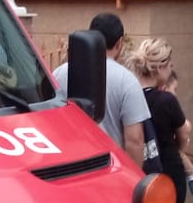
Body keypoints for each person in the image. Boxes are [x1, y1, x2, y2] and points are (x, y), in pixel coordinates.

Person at [53, 13, 154, 166]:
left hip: (67, 165)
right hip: (109, 170)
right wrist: (134, 179)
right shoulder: (127, 81)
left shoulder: (60, 73)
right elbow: (135, 140)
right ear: (119, 43)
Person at [124, 38, 190, 203]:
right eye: (169, 65)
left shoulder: (129, 96)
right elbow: (183, 131)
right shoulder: (167, 100)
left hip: (140, 170)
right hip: (169, 169)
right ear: (159, 68)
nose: (171, 69)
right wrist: (181, 150)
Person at [161, 68, 193, 197]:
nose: (175, 94)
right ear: (165, 88)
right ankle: (192, 177)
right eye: (175, 89)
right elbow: (185, 128)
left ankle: (192, 177)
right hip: (171, 156)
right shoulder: (169, 102)